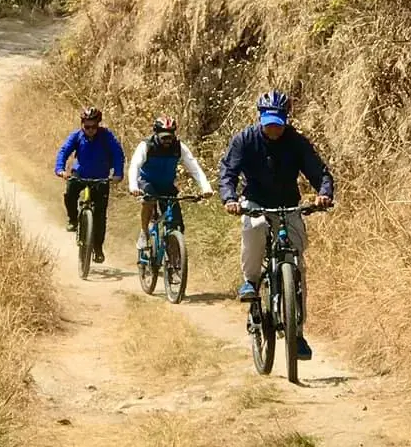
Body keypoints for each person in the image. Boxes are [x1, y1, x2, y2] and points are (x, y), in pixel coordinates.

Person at [217, 89, 333, 359]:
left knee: (298, 267)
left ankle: (298, 334)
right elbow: (228, 172)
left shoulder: (296, 142)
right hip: (255, 201)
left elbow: (318, 171)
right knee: (255, 228)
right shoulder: (245, 140)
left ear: (286, 120)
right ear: (260, 118)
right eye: (268, 122)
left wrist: (324, 192)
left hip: (288, 203)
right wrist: (230, 198)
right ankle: (250, 281)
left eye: (278, 123)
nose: (273, 128)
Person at [126, 115, 213, 263]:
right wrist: (133, 186)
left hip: (167, 186)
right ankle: (144, 231)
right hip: (147, 182)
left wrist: (206, 187)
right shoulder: (146, 146)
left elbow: (195, 169)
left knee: (177, 224)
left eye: (170, 137)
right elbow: (134, 166)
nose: (167, 141)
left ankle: (174, 260)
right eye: (164, 137)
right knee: (149, 199)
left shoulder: (179, 147)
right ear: (156, 134)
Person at [54, 106, 124, 263]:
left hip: (101, 178)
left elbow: (117, 153)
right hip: (80, 175)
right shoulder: (77, 136)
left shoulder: (106, 137)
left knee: (100, 215)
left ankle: (98, 248)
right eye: (87, 126)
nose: (90, 130)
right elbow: (64, 151)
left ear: (98, 124)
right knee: (70, 192)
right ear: (82, 124)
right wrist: (60, 169)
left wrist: (118, 173)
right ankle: (73, 219)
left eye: (94, 126)